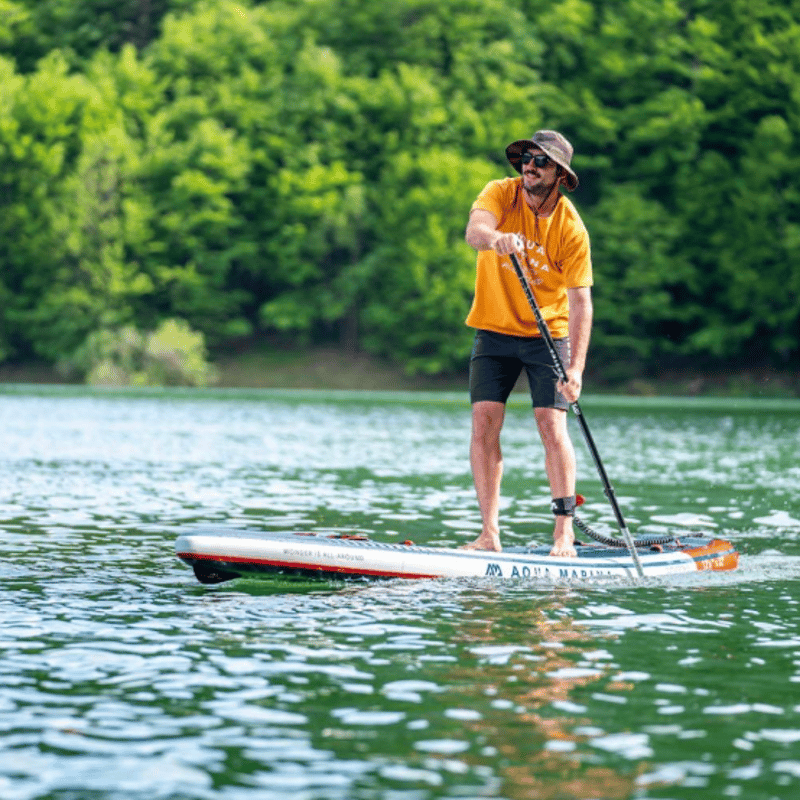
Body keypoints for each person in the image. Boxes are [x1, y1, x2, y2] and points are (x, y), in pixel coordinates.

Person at [462, 130, 593, 557]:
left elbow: (580, 303)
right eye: (527, 159)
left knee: (550, 425)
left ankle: (563, 534)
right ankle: (489, 535)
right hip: (494, 328)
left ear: (560, 175)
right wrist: (494, 238)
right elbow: (475, 230)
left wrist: (575, 370)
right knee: (483, 420)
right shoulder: (501, 192)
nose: (530, 167)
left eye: (541, 162)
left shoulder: (571, 228)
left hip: (547, 334)